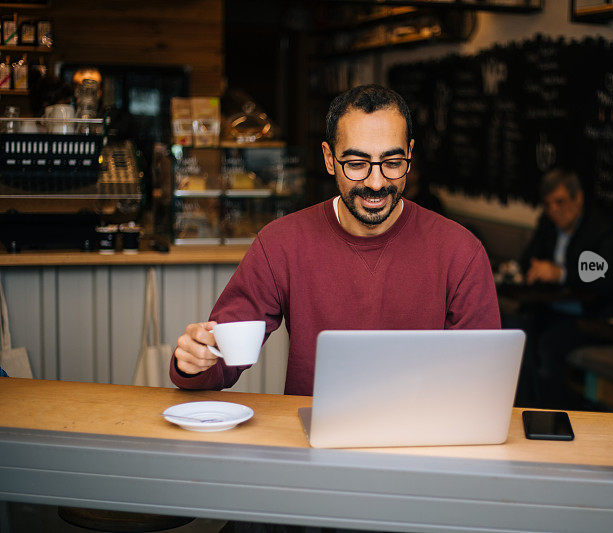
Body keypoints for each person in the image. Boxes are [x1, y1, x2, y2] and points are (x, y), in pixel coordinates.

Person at [170, 85, 500, 394]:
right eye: (356, 164)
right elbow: (221, 358)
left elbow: (483, 380)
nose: (375, 182)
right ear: (329, 159)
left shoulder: (460, 251)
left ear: (410, 155)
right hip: (312, 443)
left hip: (423, 446)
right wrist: (194, 362)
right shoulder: (282, 243)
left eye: (392, 163)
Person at [513, 168, 613, 408]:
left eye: (560, 202)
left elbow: (607, 279)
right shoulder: (548, 223)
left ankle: (554, 415)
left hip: (595, 317)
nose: (554, 210)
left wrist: (561, 274)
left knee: (550, 344)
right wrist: (536, 267)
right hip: (554, 309)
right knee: (518, 330)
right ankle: (524, 408)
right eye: (548, 205)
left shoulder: (604, 230)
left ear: (578, 198)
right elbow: (527, 259)